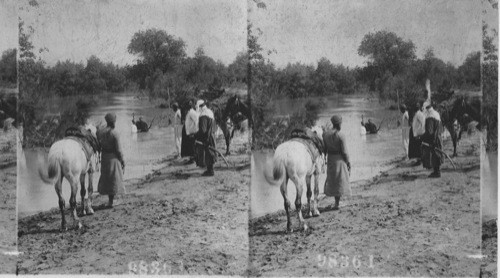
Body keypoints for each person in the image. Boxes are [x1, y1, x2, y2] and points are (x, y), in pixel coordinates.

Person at [97, 113, 126, 208]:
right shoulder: (115, 133)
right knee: (114, 179)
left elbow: (98, 143)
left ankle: (110, 201)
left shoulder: (101, 132)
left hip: (105, 157)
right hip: (113, 157)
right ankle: (111, 202)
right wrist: (122, 160)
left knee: (108, 179)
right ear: (114, 122)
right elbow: (118, 150)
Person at [323, 115, 351, 210]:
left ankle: (336, 203)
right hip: (339, 159)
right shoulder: (341, 135)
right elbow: (345, 151)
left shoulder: (326, 134)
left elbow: (324, 149)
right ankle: (337, 204)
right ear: (339, 124)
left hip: (331, 158)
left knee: (334, 180)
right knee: (340, 180)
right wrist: (348, 162)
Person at [421, 102, 444, 177]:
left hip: (433, 138)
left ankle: (437, 172)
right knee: (437, 154)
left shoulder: (429, 116)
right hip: (438, 136)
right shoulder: (436, 113)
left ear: (426, 108)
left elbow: (429, 131)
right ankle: (437, 171)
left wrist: (422, 137)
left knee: (434, 155)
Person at [195, 100, 217, 176]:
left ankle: (210, 171)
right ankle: (210, 170)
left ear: (200, 107)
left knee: (208, 153)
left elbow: (203, 130)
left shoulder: (203, 115)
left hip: (207, 136)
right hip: (211, 134)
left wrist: (196, 135)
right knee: (211, 152)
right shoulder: (210, 112)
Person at [409, 101, 425, 165]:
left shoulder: (420, 114)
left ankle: (420, 161)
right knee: (417, 147)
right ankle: (419, 160)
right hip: (416, 133)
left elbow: (423, 124)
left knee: (418, 148)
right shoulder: (416, 114)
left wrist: (420, 134)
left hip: (419, 133)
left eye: (415, 107)